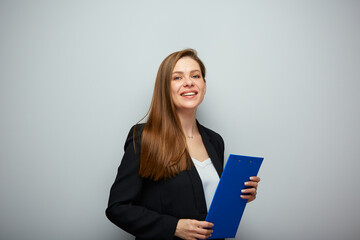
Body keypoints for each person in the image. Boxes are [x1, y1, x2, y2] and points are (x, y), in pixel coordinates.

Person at [106, 49, 261, 240]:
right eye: (177, 78)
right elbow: (117, 208)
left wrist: (240, 195)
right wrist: (174, 227)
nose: (189, 82)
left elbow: (207, 201)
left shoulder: (215, 141)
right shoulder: (144, 137)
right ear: (165, 87)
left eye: (195, 75)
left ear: (204, 85)